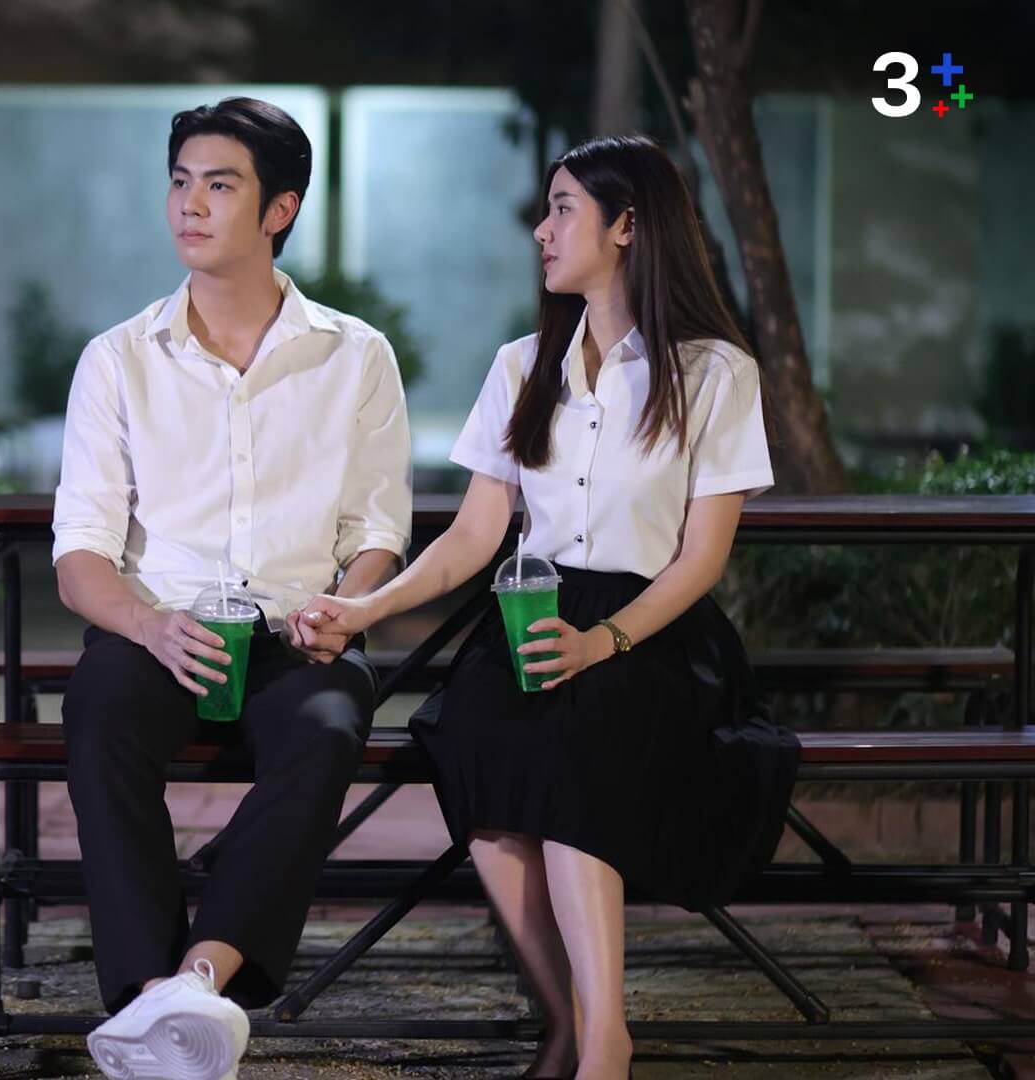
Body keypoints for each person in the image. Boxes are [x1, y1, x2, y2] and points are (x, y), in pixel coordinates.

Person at [296, 134, 800, 1080]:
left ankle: (606, 1040)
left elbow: (701, 560)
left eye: (564, 208)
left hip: (649, 629)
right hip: (532, 616)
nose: (542, 229)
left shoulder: (715, 373)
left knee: (574, 739)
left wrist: (602, 642)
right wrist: (362, 611)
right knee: (476, 739)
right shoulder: (523, 364)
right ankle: (566, 1020)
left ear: (628, 225)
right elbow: (473, 537)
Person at [53, 96, 413, 1079]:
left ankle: (196, 983)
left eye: (220, 185)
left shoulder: (353, 356)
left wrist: (347, 605)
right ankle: (146, 991)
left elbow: (376, 532)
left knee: (328, 726)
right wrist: (148, 626)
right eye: (180, 181)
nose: (190, 204)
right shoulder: (120, 359)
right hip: (157, 631)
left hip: (299, 635)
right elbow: (81, 555)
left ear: (279, 210)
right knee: (100, 711)